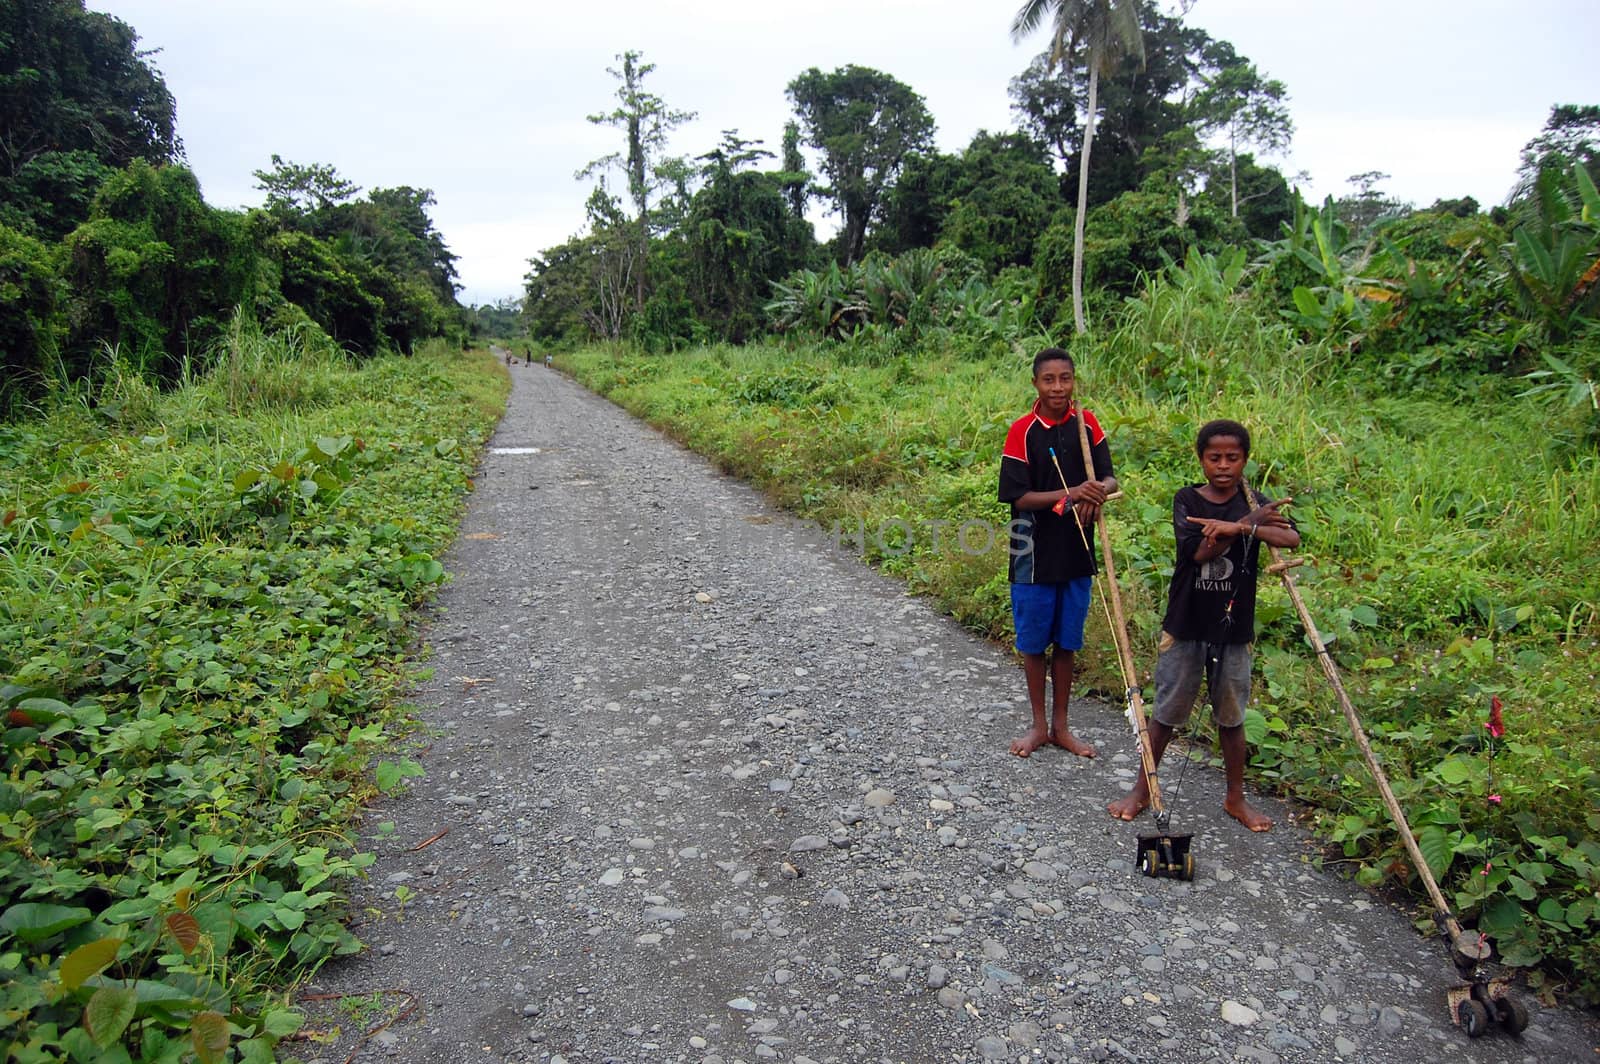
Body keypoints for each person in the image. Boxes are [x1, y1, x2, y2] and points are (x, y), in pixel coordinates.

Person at [1107, 419, 1297, 832]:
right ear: (1202, 459)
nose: (1224, 466)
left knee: (1231, 716)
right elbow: (1197, 553)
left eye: (1233, 458)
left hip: (1234, 628)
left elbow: (1290, 539)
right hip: (1187, 622)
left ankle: (1235, 798)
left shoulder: (1253, 499)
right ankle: (1142, 789)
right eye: (1215, 458)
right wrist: (1245, 527)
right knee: (1166, 713)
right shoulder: (1187, 500)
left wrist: (1240, 524)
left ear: (1245, 461)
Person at [998, 347, 1117, 759]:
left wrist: (1097, 492)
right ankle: (1038, 726)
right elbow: (1016, 495)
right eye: (1049, 379)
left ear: (1073, 381)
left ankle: (1062, 726)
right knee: (1034, 641)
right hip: (1030, 545)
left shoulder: (1087, 425)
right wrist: (1069, 493)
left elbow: (1109, 476)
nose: (1058, 388)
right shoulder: (1022, 431)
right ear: (1035, 383)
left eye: (1065, 378)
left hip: (1075, 544)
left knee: (1067, 639)